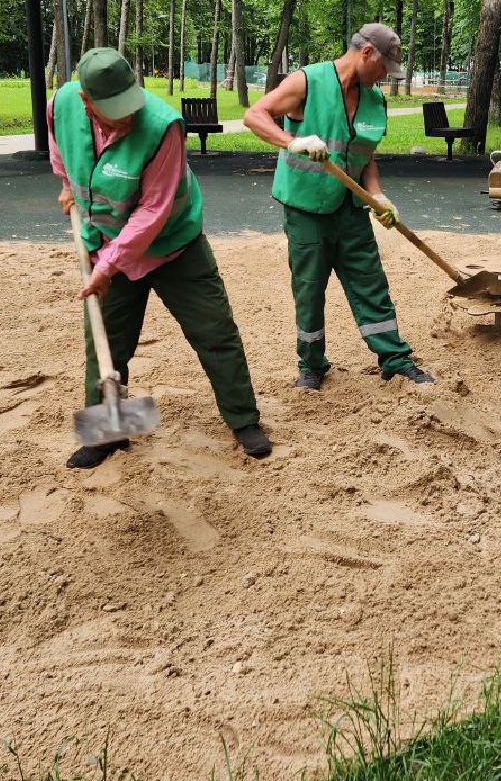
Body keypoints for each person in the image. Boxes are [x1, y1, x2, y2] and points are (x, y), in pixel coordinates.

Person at [50, 47, 272, 468]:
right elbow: (58, 145)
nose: (128, 117)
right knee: (105, 345)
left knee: (215, 332)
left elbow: (153, 211)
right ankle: (108, 432)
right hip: (106, 239)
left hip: (173, 244)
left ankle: (243, 420)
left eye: (130, 105)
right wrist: (65, 182)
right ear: (86, 101)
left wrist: (108, 266)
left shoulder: (163, 125)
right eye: (115, 111)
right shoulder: (63, 103)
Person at [244, 24, 435, 390]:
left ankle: (395, 360)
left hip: (350, 210)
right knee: (310, 289)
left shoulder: (374, 99)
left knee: (371, 284)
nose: (385, 77)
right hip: (306, 209)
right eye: (384, 68)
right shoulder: (308, 82)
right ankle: (312, 365)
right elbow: (256, 115)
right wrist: (292, 141)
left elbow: (366, 156)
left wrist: (377, 195)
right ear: (366, 53)